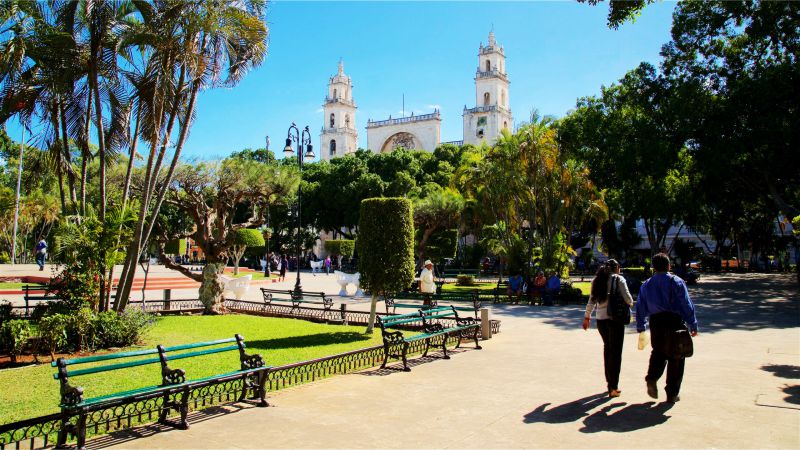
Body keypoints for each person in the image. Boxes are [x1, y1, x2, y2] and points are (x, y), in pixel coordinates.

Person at [636, 253, 699, 403]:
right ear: (669, 266)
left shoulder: (646, 284)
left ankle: (652, 378)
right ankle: (672, 393)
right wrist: (692, 323)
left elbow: (640, 306)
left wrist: (641, 325)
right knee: (676, 356)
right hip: (674, 321)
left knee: (658, 352)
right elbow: (685, 303)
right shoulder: (675, 281)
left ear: (653, 267)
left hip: (656, 322)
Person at [582, 259, 634, 398]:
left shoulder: (597, 280)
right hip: (615, 320)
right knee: (616, 352)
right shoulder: (619, 279)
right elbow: (628, 299)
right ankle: (613, 386)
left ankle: (609, 382)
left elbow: (591, 300)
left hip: (601, 320)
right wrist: (630, 304)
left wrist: (587, 317)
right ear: (616, 268)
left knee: (608, 349)